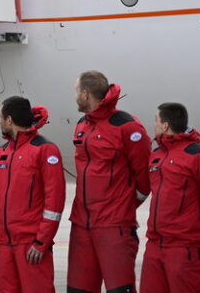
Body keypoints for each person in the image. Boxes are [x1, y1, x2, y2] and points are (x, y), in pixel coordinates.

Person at [67, 70, 152, 293]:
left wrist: (122, 207)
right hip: (81, 224)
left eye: (76, 91)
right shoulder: (82, 124)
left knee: (119, 290)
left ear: (85, 94)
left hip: (114, 226)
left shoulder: (127, 126)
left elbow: (144, 179)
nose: (74, 96)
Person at [0, 96, 65, 293]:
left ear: (9, 120)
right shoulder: (1, 153)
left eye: (0, 117)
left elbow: (54, 202)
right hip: (2, 246)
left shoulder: (45, 150)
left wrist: (42, 241)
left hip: (31, 246)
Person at [139, 102, 200, 293]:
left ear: (165, 125)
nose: (153, 125)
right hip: (154, 246)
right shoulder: (156, 155)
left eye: (156, 120)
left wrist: (197, 237)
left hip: (185, 248)